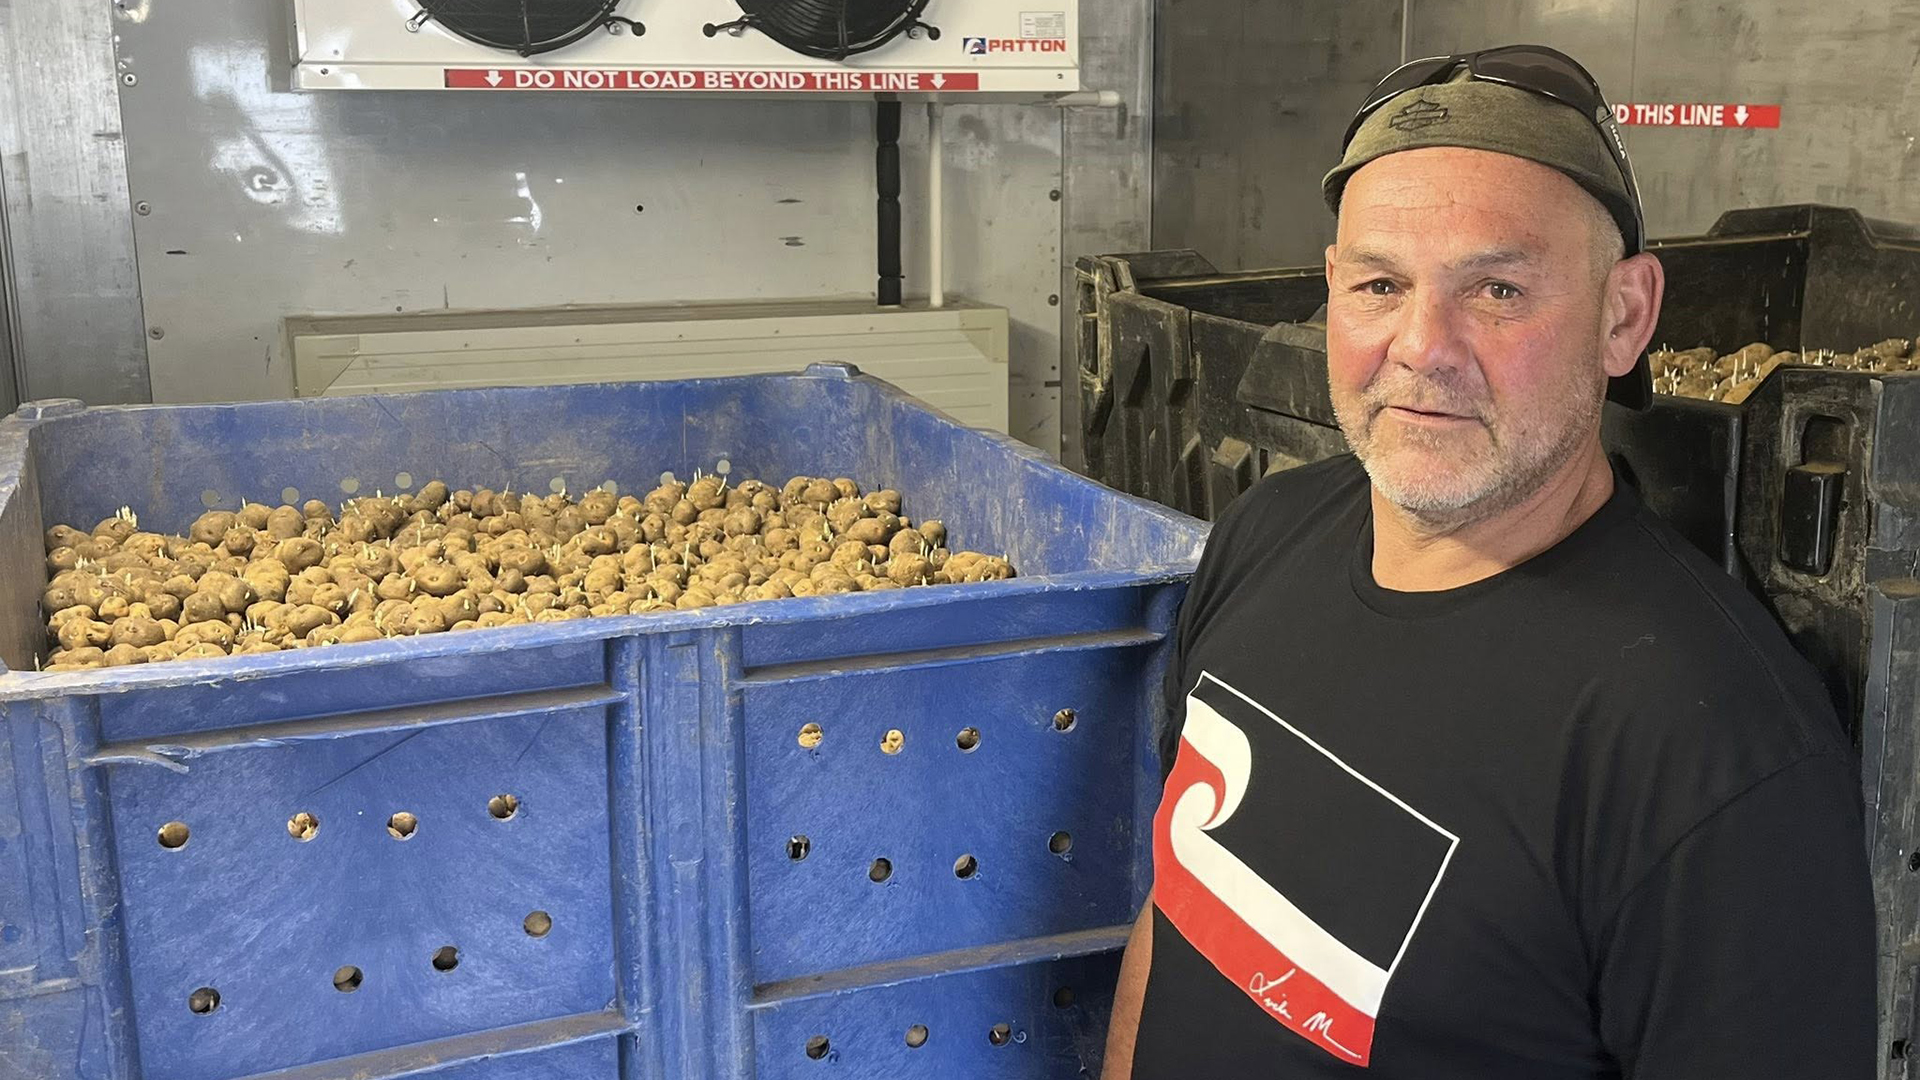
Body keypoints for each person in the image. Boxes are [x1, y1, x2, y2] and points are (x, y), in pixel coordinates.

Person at [1100, 45, 1875, 1079]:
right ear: (1332, 291)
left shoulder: (1712, 753)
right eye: (1381, 283)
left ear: (1624, 317)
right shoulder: (1265, 534)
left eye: (1499, 290)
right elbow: (1177, 901)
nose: (1424, 345)